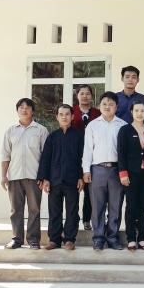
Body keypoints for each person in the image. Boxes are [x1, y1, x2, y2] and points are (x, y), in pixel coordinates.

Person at [1, 98, 49, 250]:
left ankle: (34, 240)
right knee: (16, 210)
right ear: (17, 110)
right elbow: (5, 155)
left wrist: (44, 177)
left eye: (28, 107)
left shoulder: (41, 130)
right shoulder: (10, 131)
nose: (24, 109)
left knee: (34, 209)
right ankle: (17, 239)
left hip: (34, 176)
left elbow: (46, 156)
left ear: (32, 111)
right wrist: (3, 176)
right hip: (14, 176)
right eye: (21, 107)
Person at [82, 91, 127, 251]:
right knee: (97, 206)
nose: (107, 107)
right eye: (104, 104)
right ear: (99, 106)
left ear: (116, 106)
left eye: (111, 104)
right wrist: (86, 170)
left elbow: (125, 152)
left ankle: (113, 237)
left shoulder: (122, 125)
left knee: (115, 206)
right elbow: (88, 149)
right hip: (97, 170)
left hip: (116, 170)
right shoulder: (93, 125)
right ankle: (98, 238)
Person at [38, 104, 84, 251]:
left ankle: (69, 239)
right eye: (61, 114)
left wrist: (81, 177)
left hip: (72, 180)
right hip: (54, 180)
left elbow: (82, 158)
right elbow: (45, 159)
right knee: (54, 211)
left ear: (72, 116)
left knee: (72, 211)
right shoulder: (52, 137)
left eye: (67, 114)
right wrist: (45, 178)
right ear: (57, 117)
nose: (64, 117)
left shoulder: (78, 136)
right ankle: (54, 240)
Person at [118, 101, 144, 251]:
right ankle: (131, 238)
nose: (140, 113)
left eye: (142, 111)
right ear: (131, 112)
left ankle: (142, 237)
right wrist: (123, 173)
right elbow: (121, 153)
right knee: (131, 206)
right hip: (130, 174)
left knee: (143, 207)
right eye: (137, 110)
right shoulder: (125, 130)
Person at [71, 84, 100, 231]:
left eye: (88, 93)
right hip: (75, 155)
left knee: (90, 190)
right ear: (77, 96)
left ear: (91, 96)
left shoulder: (98, 113)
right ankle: (73, 220)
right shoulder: (71, 112)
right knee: (74, 189)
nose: (85, 96)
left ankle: (87, 219)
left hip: (93, 155)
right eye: (81, 93)